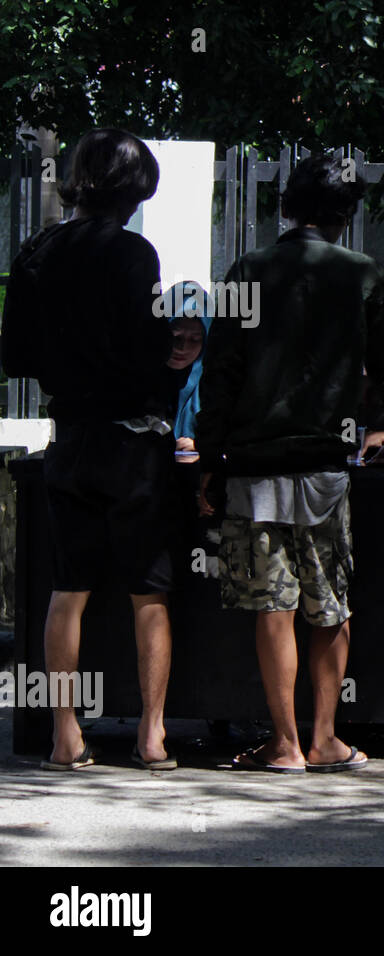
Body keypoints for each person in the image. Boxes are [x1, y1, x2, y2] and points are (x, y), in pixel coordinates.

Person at [196, 154, 384, 773]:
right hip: (325, 467)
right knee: (330, 604)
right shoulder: (363, 275)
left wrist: (210, 459)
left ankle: (284, 745)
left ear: (286, 207)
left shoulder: (248, 269)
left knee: (274, 606)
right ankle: (327, 740)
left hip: (255, 468)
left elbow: (221, 374)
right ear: (346, 216)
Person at [0, 128, 196, 771]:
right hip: (133, 441)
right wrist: (168, 361)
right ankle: (152, 736)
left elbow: (16, 355)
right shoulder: (133, 254)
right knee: (150, 592)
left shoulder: (35, 251)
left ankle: (64, 735)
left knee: (68, 589)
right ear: (134, 192)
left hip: (70, 439)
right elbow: (147, 350)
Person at [165, 282, 214, 461]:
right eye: (175, 336)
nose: (182, 348)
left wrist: (200, 446)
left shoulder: (214, 390)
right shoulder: (135, 382)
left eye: (195, 339)